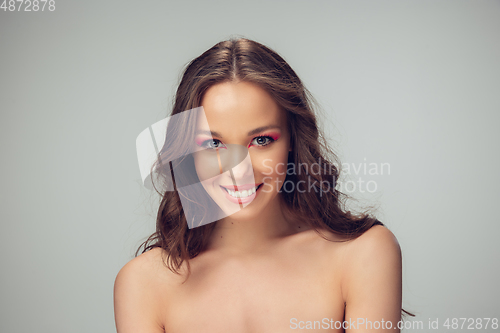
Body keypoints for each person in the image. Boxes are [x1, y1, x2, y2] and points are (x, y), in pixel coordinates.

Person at [114, 37, 408, 332]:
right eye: (214, 144)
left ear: (292, 139)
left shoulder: (363, 254)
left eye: (261, 140)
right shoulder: (143, 284)